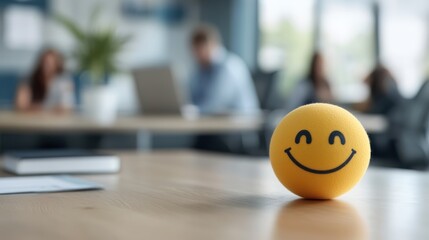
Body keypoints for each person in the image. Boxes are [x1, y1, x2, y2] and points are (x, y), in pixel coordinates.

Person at [189, 24, 259, 115]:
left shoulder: (229, 67)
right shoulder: (203, 68)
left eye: (200, 50)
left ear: (213, 45)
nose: (197, 55)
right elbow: (192, 96)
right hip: (216, 121)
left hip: (240, 123)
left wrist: (193, 110)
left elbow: (215, 104)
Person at [15, 48, 75, 113]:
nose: (46, 66)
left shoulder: (64, 81)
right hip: (32, 120)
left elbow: (66, 108)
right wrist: (52, 109)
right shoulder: (29, 79)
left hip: (56, 121)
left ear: (57, 65)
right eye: (44, 62)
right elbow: (21, 105)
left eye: (50, 63)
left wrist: (36, 108)